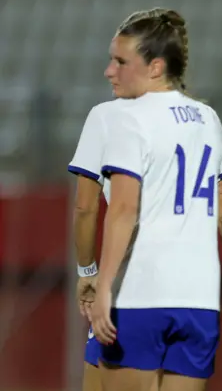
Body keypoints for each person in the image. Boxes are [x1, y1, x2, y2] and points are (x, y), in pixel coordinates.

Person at [84, 8, 222, 391]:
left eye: (121, 62)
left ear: (155, 67)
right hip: (200, 299)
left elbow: (123, 210)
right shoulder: (208, 118)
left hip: (142, 293)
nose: (110, 71)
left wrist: (102, 287)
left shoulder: (129, 117)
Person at [68, 88, 161, 391]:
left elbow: (85, 208)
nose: (110, 71)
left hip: (131, 282)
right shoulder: (201, 120)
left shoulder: (107, 117)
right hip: (188, 284)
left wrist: (88, 272)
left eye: (119, 61)